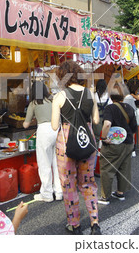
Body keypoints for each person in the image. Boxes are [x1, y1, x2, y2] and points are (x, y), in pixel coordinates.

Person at [51, 61, 101, 235]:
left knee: (68, 184)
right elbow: (95, 121)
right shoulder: (90, 94)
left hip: (66, 141)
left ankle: (75, 224)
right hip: (87, 139)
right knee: (88, 182)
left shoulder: (59, 96)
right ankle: (95, 223)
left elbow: (54, 125)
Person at [23, 81, 62, 202]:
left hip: (44, 132)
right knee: (57, 163)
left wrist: (34, 118)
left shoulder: (34, 104)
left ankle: (47, 194)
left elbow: (25, 125)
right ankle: (59, 192)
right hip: (57, 130)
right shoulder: (52, 101)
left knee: (44, 163)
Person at [98, 88, 137, 205]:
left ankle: (105, 196)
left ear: (111, 97)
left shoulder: (110, 108)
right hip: (129, 142)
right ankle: (121, 192)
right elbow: (134, 127)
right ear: (123, 96)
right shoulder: (129, 108)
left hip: (114, 144)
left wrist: (104, 138)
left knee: (107, 168)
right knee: (124, 167)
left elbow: (107, 124)